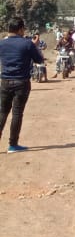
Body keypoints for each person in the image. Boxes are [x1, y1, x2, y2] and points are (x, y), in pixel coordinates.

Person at [0, 17, 45, 153]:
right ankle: (13, 144)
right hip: (21, 82)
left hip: (5, 81)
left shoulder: (1, 43)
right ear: (20, 29)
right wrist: (35, 45)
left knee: (2, 112)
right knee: (17, 113)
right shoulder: (27, 44)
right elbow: (39, 60)